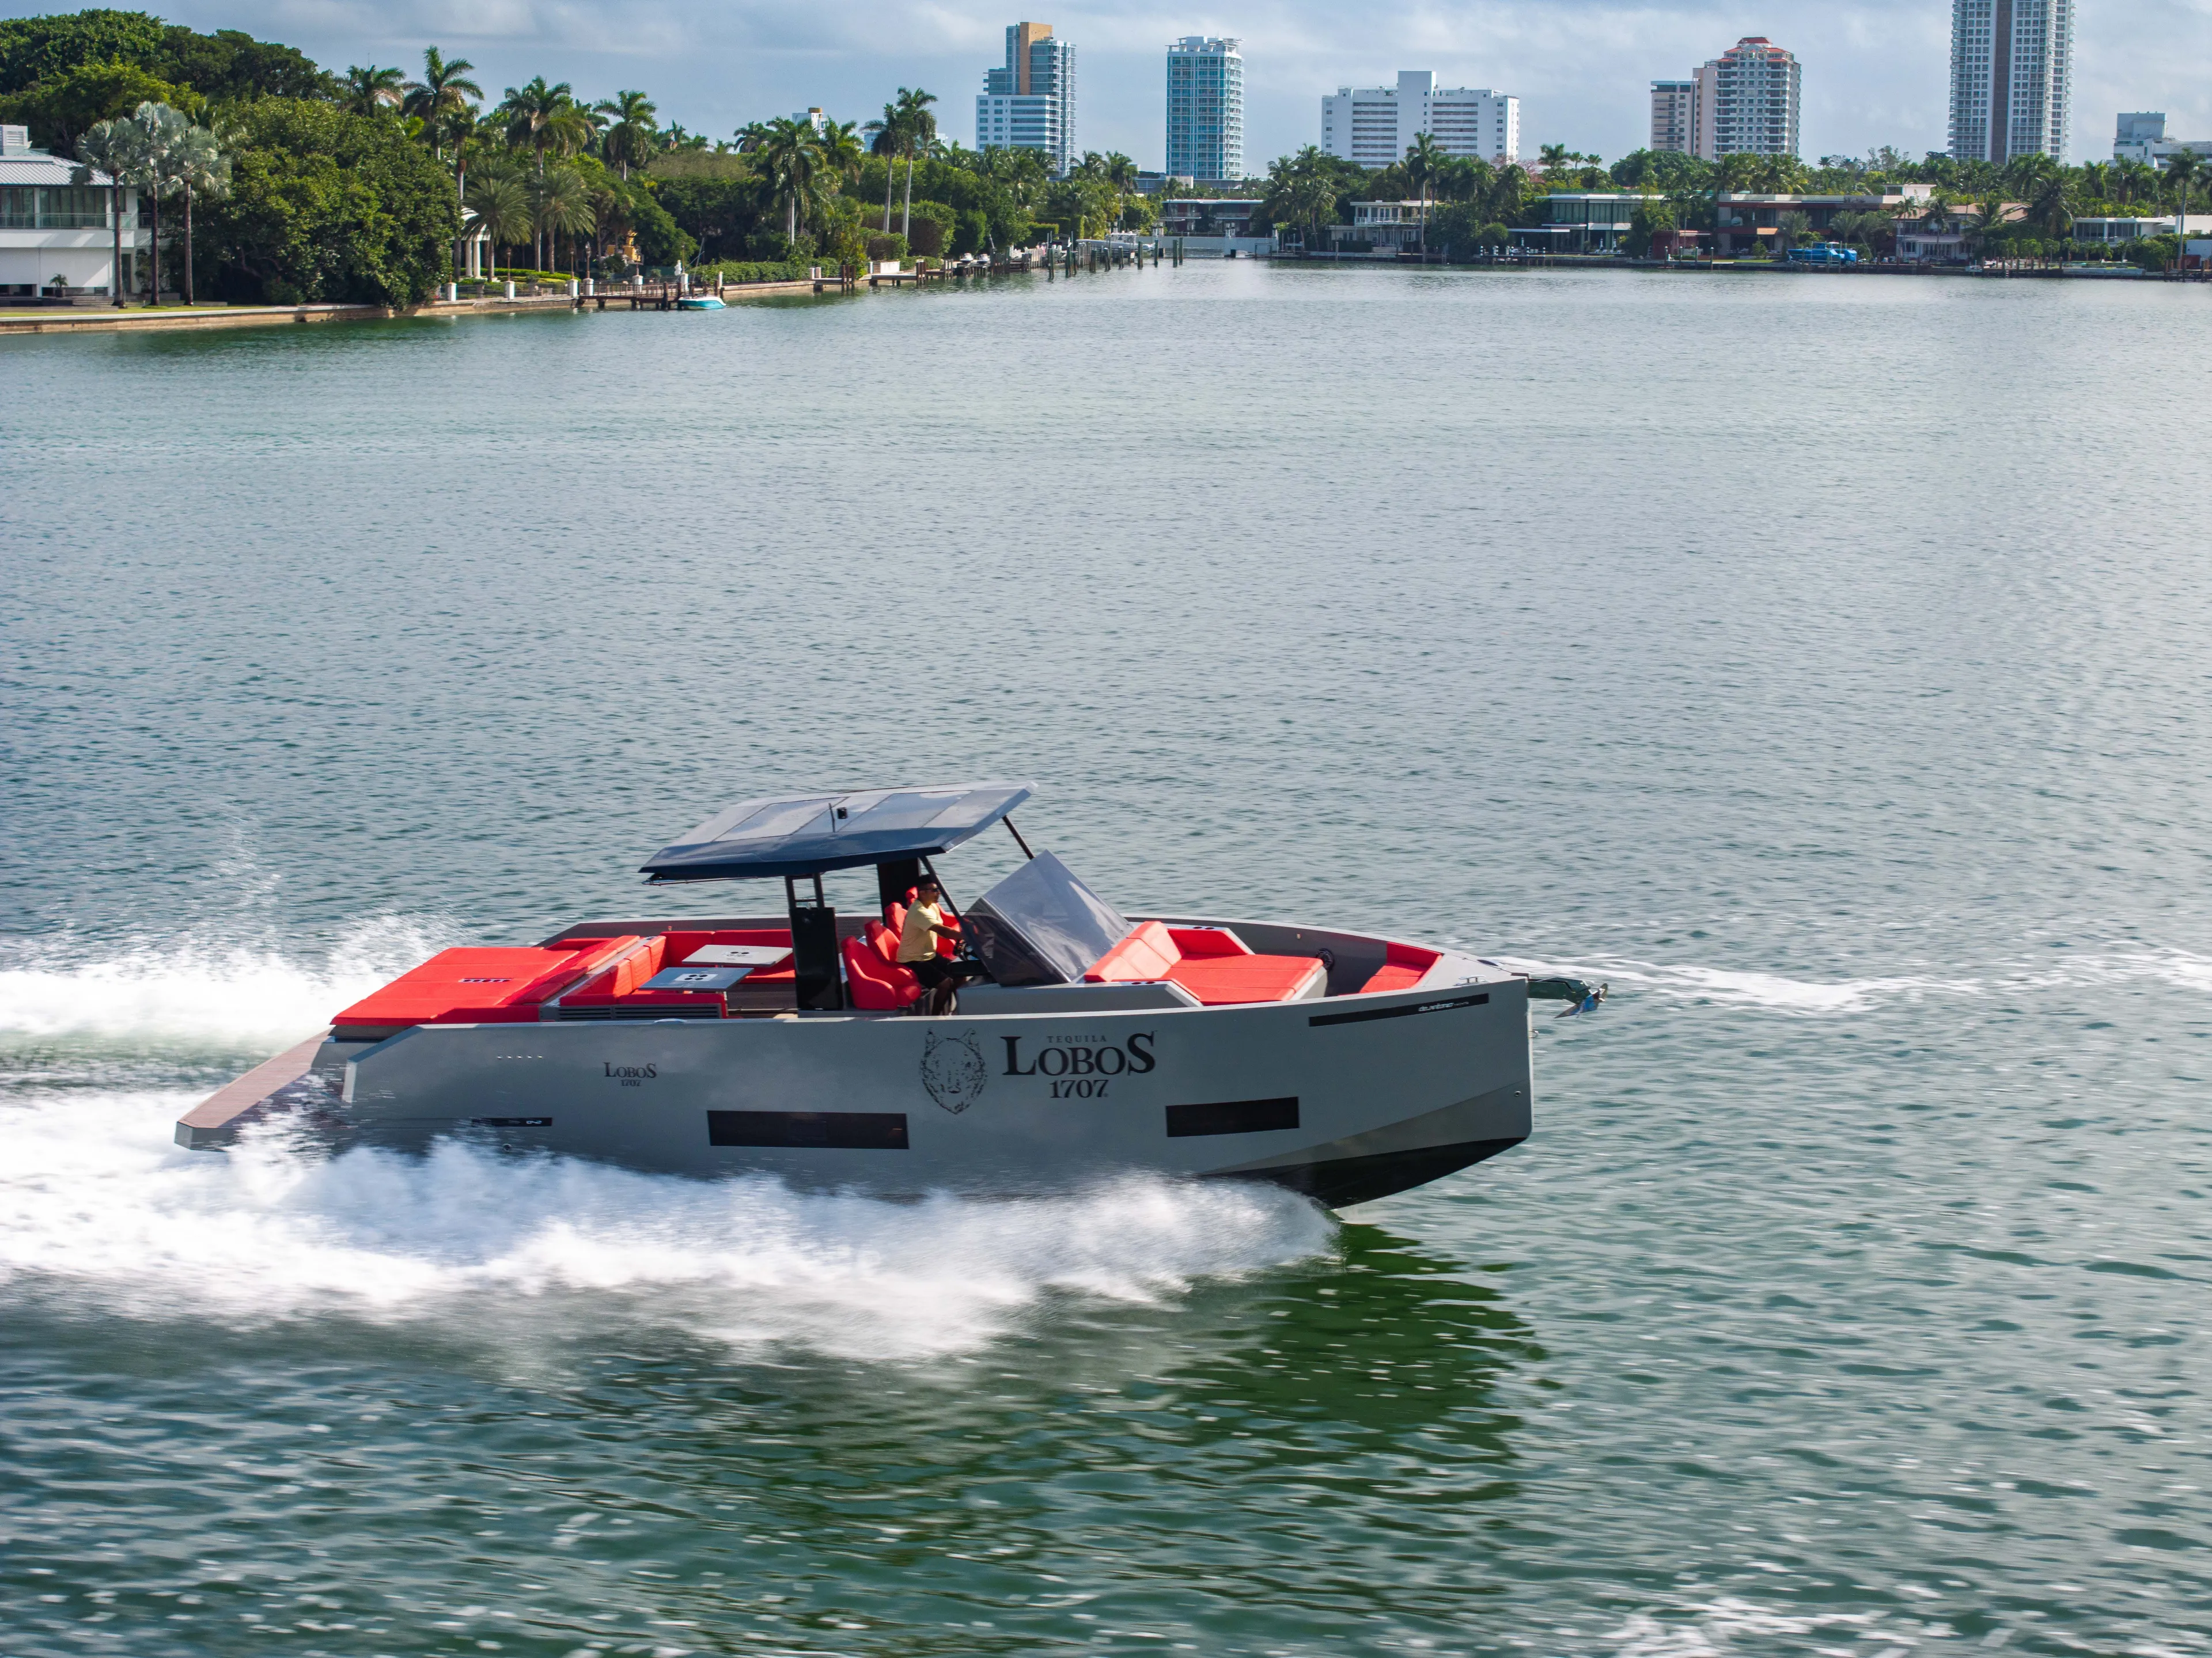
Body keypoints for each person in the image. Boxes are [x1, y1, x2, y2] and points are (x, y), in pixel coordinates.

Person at [896, 875, 984, 1014]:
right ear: (923, 893)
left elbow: (942, 931)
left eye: (939, 890)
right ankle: (934, 1018)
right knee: (945, 984)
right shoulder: (919, 912)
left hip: (929, 955)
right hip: (913, 959)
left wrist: (960, 938)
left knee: (960, 974)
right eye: (935, 890)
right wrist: (969, 936)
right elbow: (942, 930)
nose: (939, 893)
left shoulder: (932, 906)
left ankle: (958, 1011)